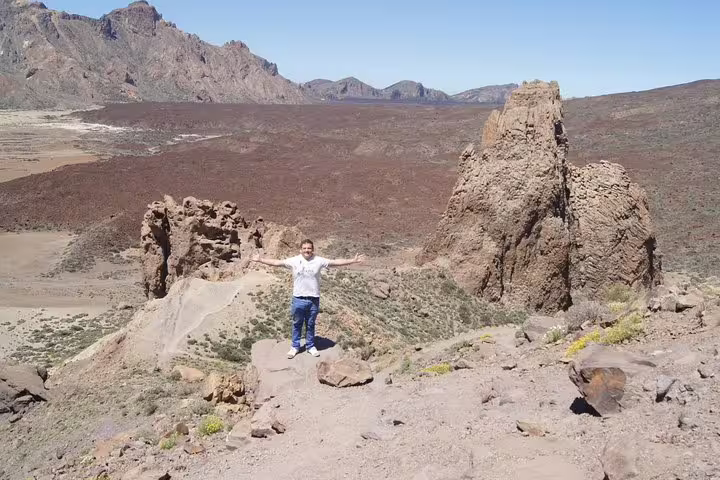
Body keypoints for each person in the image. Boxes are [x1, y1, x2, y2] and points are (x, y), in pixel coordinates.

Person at [250, 239, 364, 358]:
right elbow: (277, 263)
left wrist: (353, 260)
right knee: (297, 324)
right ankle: (295, 347)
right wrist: (260, 260)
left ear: (312, 249)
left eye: (309, 248)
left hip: (313, 299)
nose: (307, 250)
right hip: (298, 298)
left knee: (310, 324)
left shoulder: (319, 261)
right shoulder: (294, 260)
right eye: (304, 248)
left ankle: (310, 346)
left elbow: (334, 262)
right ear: (300, 250)